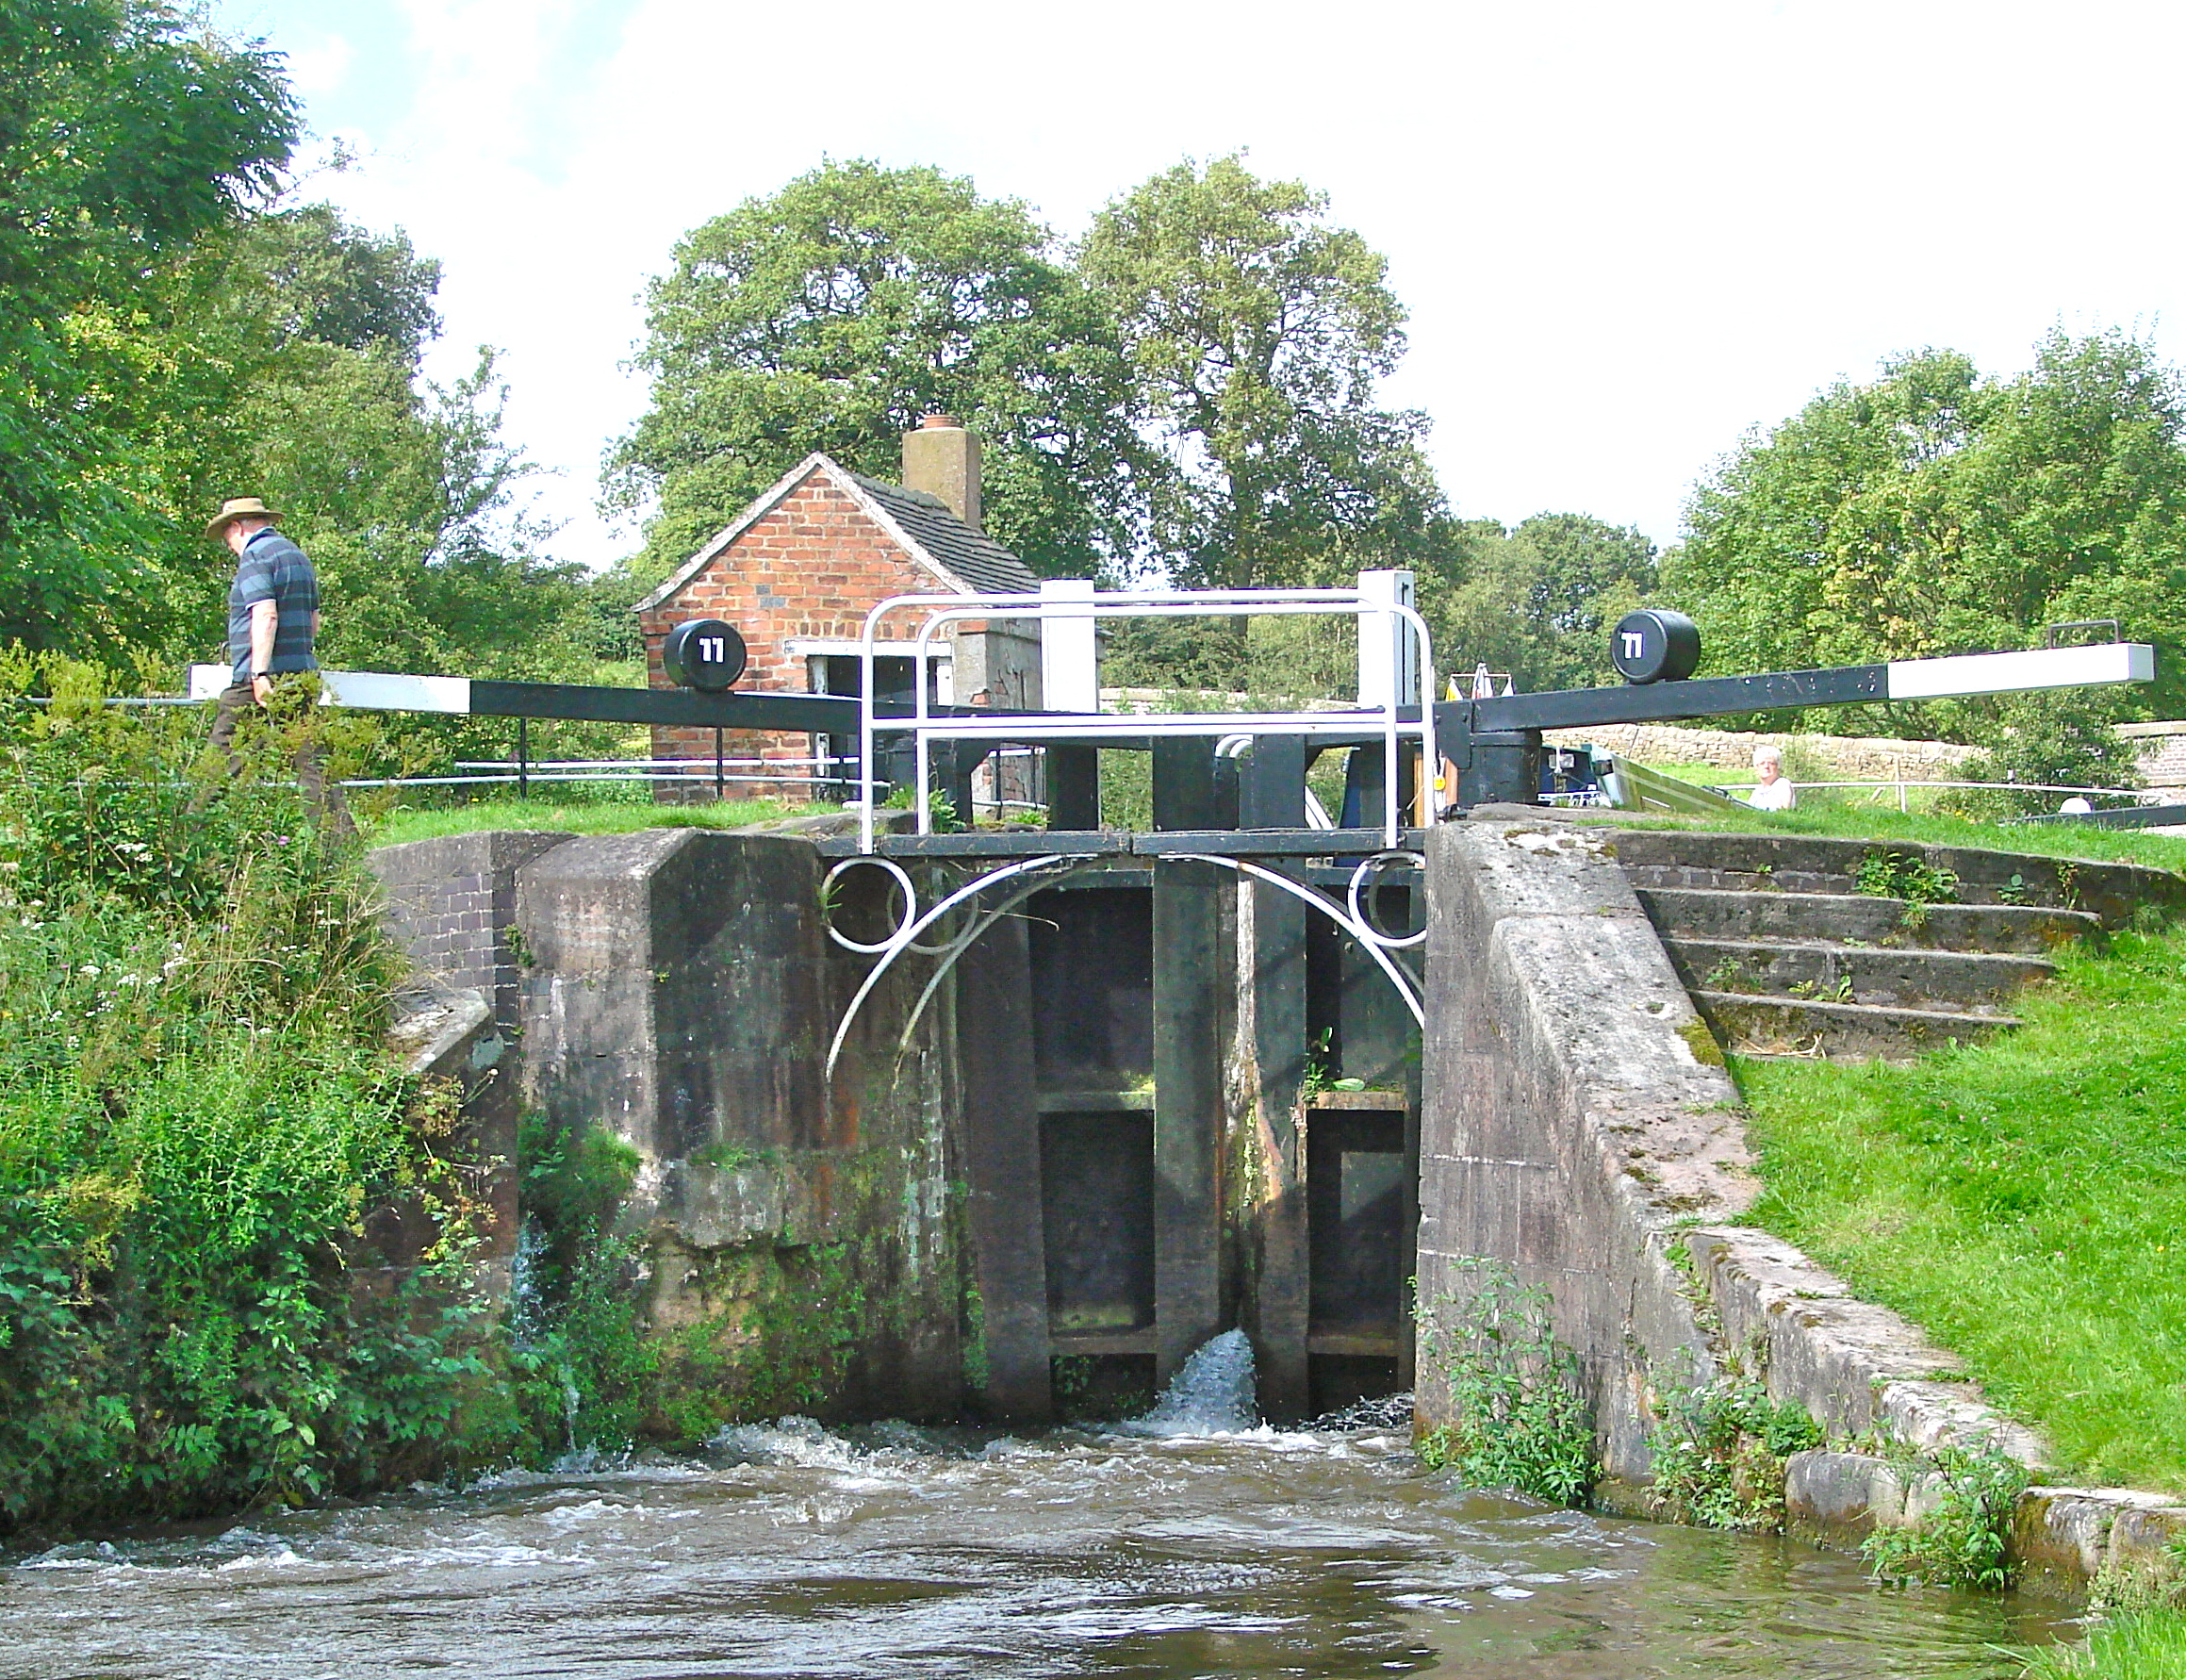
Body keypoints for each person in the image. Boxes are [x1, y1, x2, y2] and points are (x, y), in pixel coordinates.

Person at [204, 496, 351, 832]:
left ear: (238, 527)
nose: (229, 546)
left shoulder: (255, 556)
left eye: (227, 537)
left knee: (221, 759)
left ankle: (188, 840)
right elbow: (313, 622)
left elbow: (265, 614)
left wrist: (259, 672)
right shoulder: (296, 556)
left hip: (258, 680)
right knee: (313, 767)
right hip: (301, 673)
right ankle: (343, 849)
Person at [1748, 744, 1796, 812]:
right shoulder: (1758, 791)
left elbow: (1784, 810)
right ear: (1756, 767)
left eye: (1771, 763)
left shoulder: (1782, 784)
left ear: (1778, 766)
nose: (1766, 766)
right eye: (1762, 763)